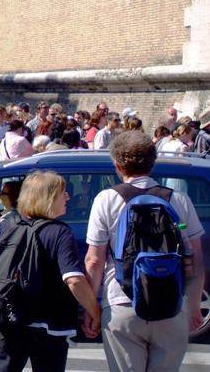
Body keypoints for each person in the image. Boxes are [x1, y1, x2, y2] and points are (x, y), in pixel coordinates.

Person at [84, 131, 205, 372]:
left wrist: (91, 308)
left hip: (121, 301)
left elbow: (94, 260)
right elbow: (196, 259)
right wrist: (193, 305)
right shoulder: (179, 200)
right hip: (171, 303)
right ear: (153, 163)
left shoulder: (106, 199)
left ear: (117, 165)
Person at [0, 171, 101, 372]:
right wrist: (94, 311)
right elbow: (74, 280)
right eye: (62, 193)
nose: (67, 197)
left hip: (7, 320)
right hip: (49, 326)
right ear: (48, 198)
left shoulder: (8, 225)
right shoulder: (59, 232)